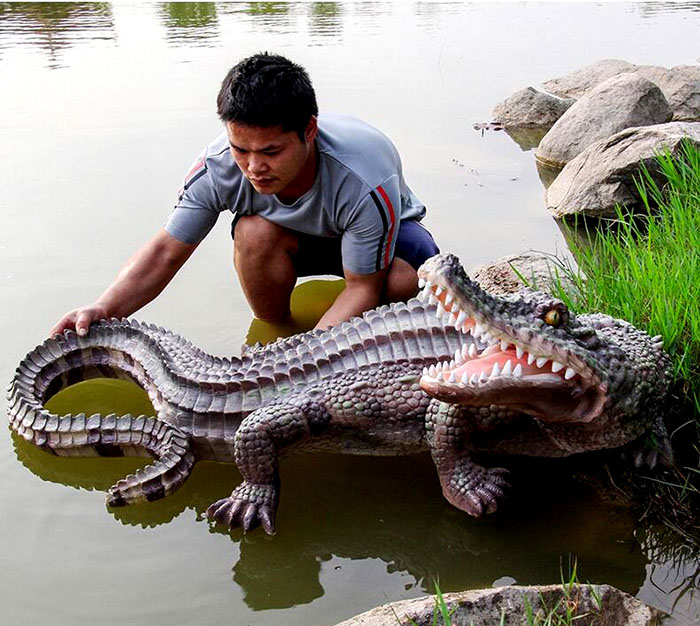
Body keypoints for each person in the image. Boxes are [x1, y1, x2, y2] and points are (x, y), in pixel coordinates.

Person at [50, 53, 439, 338]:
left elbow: (362, 286)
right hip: (292, 236)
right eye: (241, 149)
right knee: (252, 233)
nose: (254, 167)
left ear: (309, 130)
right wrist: (104, 307)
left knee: (403, 284)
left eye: (271, 151)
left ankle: (344, 340)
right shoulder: (217, 166)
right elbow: (165, 252)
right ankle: (276, 328)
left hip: (388, 241)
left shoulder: (363, 179)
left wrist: (305, 358)